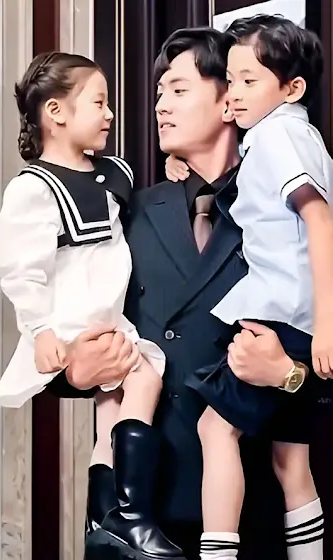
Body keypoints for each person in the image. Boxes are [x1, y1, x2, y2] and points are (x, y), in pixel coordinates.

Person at [47, 28, 301, 560]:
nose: (160, 105)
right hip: (141, 517)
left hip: (247, 513)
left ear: (230, 100)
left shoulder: (284, 214)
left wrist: (289, 374)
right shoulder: (128, 212)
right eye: (160, 92)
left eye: (179, 90)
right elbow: (66, 325)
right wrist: (75, 370)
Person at [0, 51, 184, 558]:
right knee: (144, 377)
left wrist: (174, 164)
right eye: (98, 103)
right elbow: (22, 270)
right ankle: (133, 515)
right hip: (75, 318)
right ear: (56, 112)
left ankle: (103, 519)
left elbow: (138, 211)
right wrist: (41, 331)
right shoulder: (34, 188)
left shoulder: (115, 172)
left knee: (111, 410)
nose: (110, 114)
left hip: (107, 312)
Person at [160, 15, 330, 560]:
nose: (235, 94)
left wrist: (325, 329)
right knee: (292, 463)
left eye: (248, 81)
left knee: (216, 431)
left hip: (282, 316)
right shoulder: (283, 137)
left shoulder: (279, 136)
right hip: (296, 316)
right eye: (231, 81)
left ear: (291, 88)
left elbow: (320, 220)